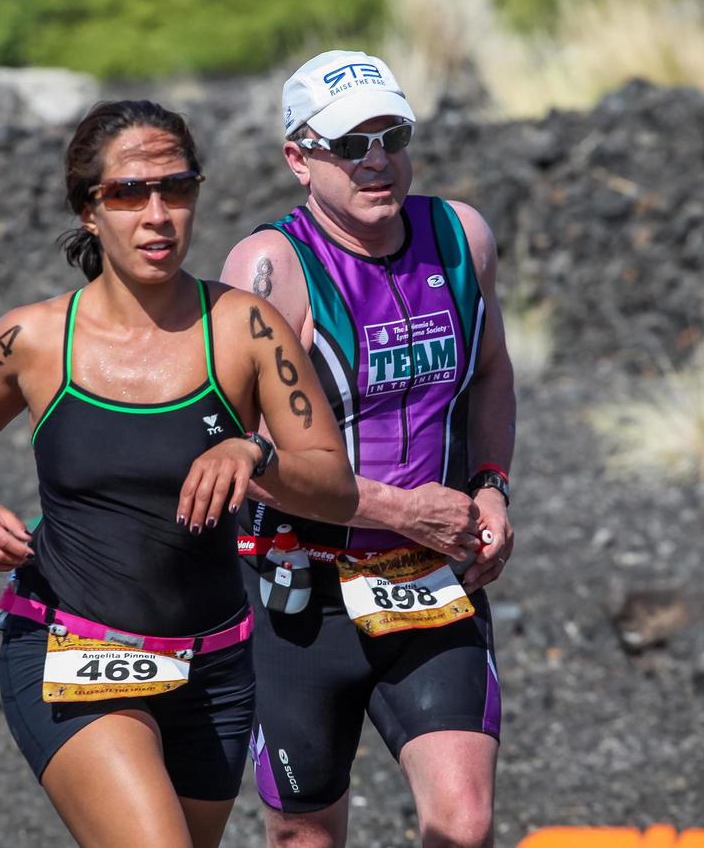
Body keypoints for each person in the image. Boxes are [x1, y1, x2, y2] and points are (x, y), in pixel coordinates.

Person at [0, 99, 358, 848]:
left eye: (177, 188)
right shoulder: (33, 338)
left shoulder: (248, 327)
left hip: (217, 667)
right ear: (89, 210)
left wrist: (254, 453)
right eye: (129, 193)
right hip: (72, 649)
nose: (157, 214)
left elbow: (334, 483)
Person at [220, 51, 517, 847]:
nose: (377, 158)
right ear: (298, 159)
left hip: (427, 576)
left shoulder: (461, 237)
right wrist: (400, 509)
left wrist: (490, 487)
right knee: (305, 836)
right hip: (302, 592)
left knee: (464, 823)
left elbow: (490, 373)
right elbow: (236, 460)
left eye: (392, 133)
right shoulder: (268, 270)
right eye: (350, 145)